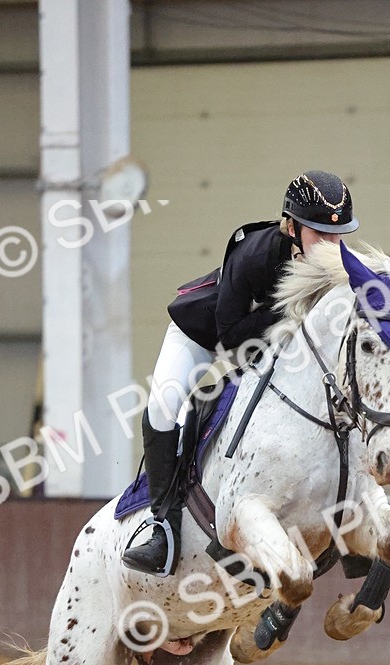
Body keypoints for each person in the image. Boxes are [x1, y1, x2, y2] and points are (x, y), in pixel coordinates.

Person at [122, 170, 359, 577]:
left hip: (272, 342)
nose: (330, 245)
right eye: (319, 234)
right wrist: (293, 306)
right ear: (290, 226)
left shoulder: (338, 262)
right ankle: (162, 526)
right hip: (206, 332)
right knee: (164, 406)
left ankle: (358, 533)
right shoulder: (254, 255)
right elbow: (230, 336)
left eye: (337, 236)